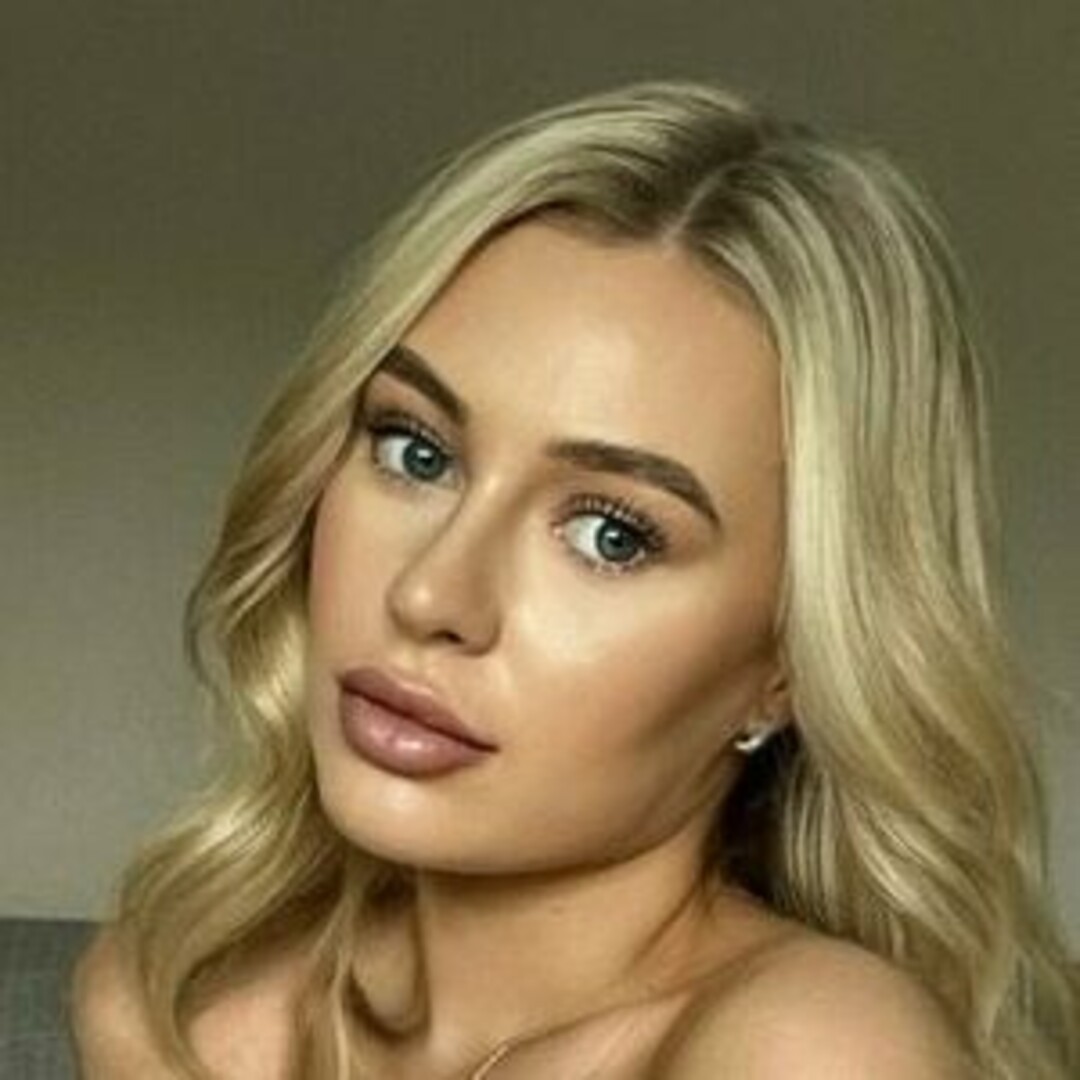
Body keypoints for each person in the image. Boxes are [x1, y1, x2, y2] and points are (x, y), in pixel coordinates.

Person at [71, 80, 1078, 1079]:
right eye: (417, 451)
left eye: (611, 536)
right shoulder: (181, 1017)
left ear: (786, 665)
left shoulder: (818, 1053)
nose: (430, 596)